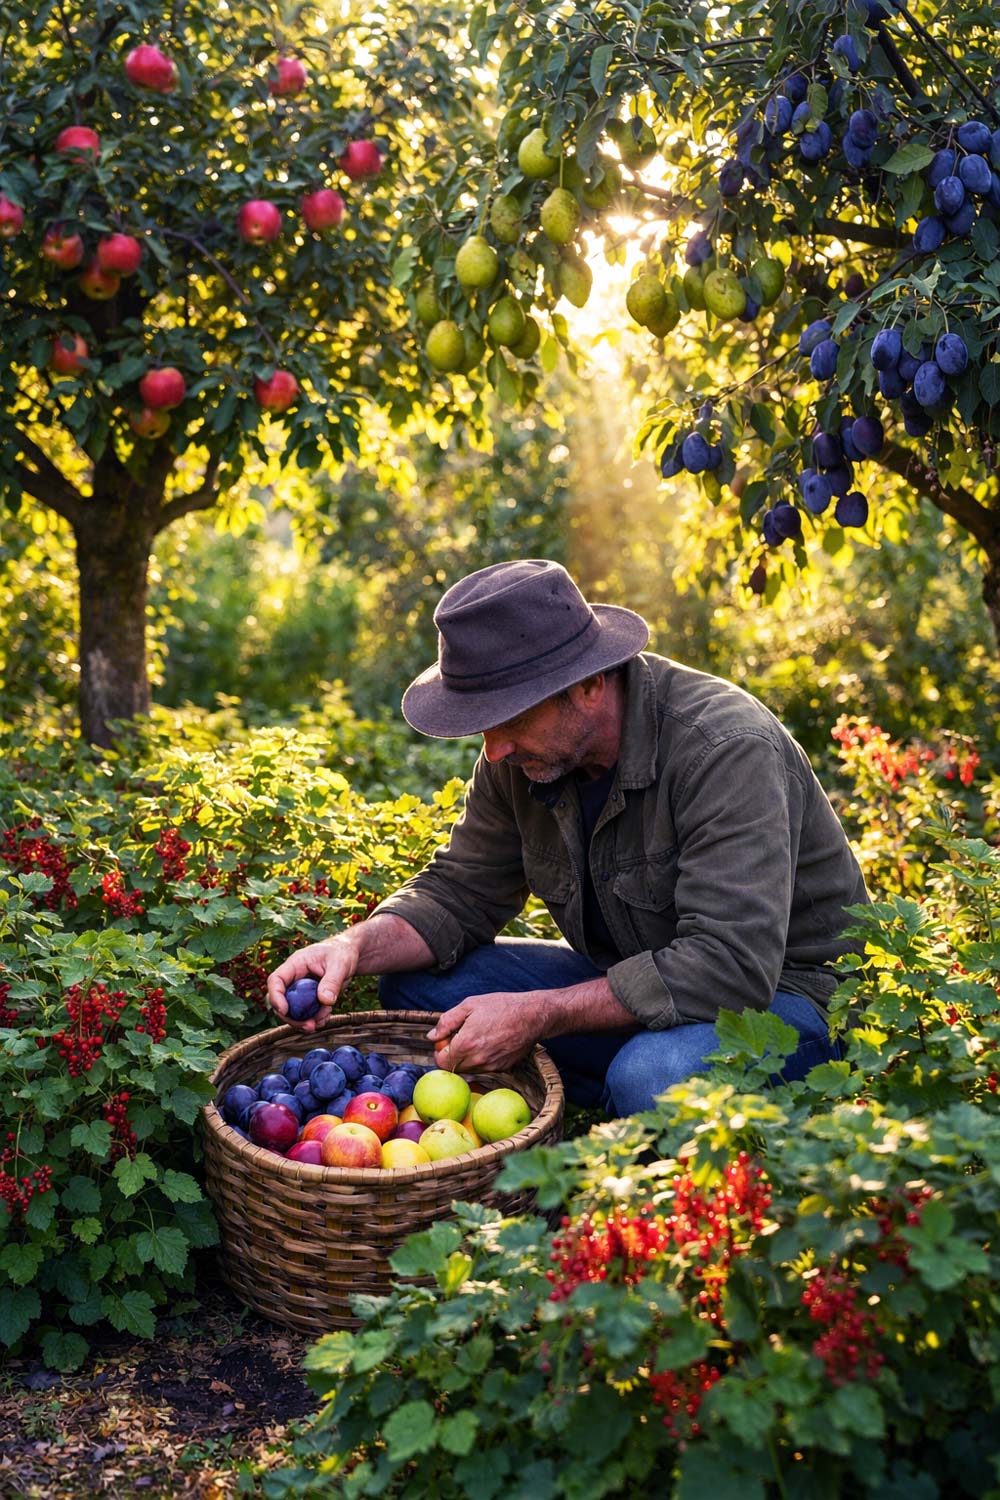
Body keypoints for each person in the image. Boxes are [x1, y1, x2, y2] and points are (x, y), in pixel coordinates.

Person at [267, 559, 869, 1116]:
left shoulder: (724, 749)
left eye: (510, 721)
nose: (493, 750)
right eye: (483, 727)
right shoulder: (522, 759)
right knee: (420, 989)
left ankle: (631, 1102)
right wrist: (353, 947)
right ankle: (609, 1091)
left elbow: (728, 967)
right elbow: (459, 892)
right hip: (640, 984)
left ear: (588, 686)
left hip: (786, 1003)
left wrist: (539, 1014)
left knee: (652, 1076)